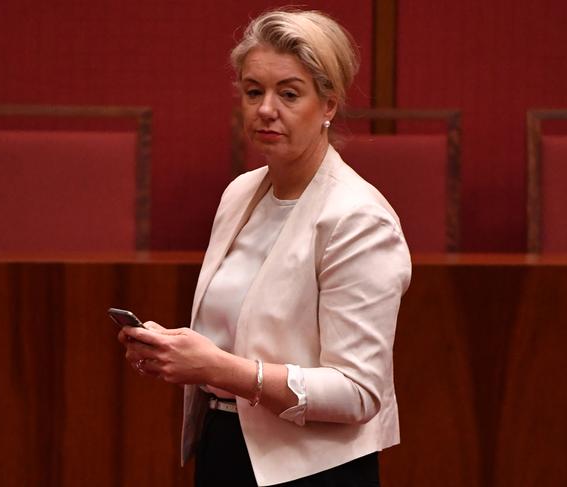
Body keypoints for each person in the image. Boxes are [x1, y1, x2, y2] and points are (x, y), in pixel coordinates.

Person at [118, 8, 411, 486]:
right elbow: (241, 336)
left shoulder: (358, 218)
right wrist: (173, 350)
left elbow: (359, 393)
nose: (266, 109)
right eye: (254, 91)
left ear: (329, 105)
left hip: (315, 468)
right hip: (225, 447)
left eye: (289, 94)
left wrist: (221, 368)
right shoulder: (240, 192)